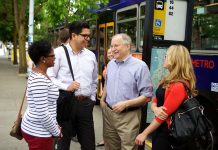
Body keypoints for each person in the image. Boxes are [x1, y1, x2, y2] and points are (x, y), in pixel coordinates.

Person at [135, 45, 198, 150]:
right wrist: (155, 109)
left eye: (167, 56)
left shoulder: (178, 86)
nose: (164, 58)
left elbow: (162, 116)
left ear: (175, 60)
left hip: (169, 134)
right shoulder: (167, 80)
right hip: (160, 130)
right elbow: (154, 101)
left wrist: (144, 133)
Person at [47, 21, 98, 150]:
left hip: (85, 105)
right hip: (66, 105)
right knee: (63, 145)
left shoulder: (91, 55)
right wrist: (66, 86)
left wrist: (92, 98)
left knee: (89, 145)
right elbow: (50, 77)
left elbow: (94, 80)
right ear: (73, 35)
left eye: (89, 36)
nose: (88, 38)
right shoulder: (58, 53)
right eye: (84, 35)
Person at [101, 33, 153, 150]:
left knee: (128, 148)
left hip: (128, 117)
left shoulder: (140, 66)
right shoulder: (110, 64)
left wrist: (126, 104)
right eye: (111, 46)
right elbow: (108, 84)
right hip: (109, 114)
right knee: (110, 146)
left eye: (116, 46)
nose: (113, 49)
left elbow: (147, 96)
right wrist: (103, 100)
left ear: (127, 46)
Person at [21, 40, 62, 150]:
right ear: (43, 59)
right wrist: (56, 131)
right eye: (52, 55)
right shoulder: (39, 80)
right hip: (39, 133)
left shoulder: (39, 73)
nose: (55, 58)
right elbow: (43, 113)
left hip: (37, 129)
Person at [96, 48, 113, 147]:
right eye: (108, 53)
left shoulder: (117, 66)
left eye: (111, 52)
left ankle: (111, 140)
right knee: (105, 119)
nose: (110, 54)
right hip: (105, 95)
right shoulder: (104, 66)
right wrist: (101, 94)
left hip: (113, 96)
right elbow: (103, 81)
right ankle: (105, 139)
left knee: (112, 120)